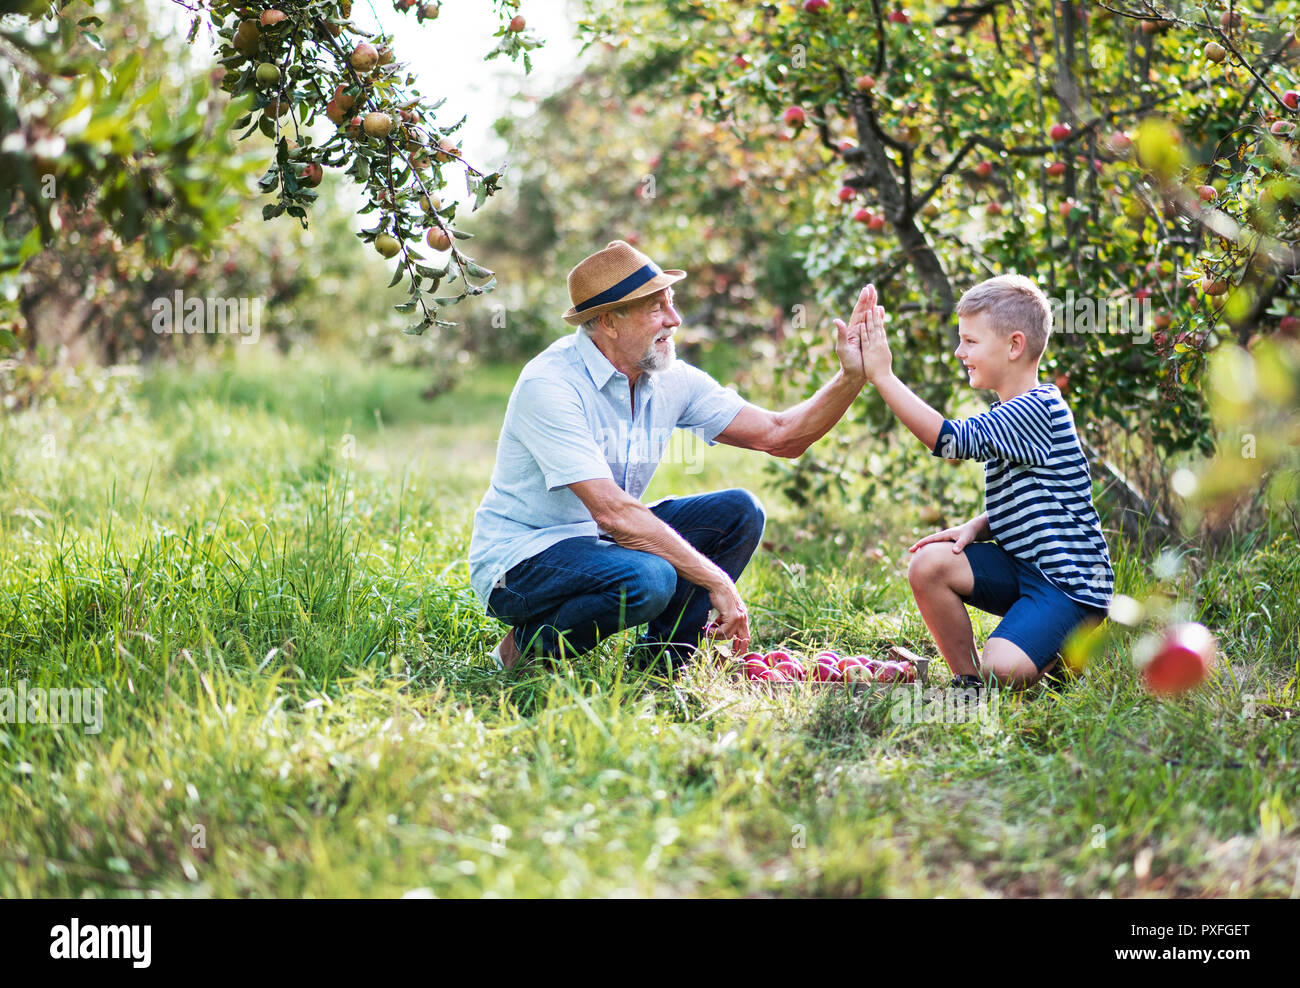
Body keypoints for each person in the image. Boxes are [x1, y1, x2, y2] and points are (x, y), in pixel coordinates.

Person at [468, 239, 879, 672]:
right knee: (649, 578)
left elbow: (782, 436)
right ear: (608, 321)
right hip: (522, 564)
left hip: (600, 542)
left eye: (672, 302)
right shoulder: (550, 385)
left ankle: (662, 664)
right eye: (655, 308)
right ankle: (526, 651)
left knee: (739, 512)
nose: (675, 319)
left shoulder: (668, 377)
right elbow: (613, 513)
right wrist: (714, 579)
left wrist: (851, 377)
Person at [854, 274, 1113, 688]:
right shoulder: (1014, 409)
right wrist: (980, 524)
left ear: (1014, 345)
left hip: (1067, 585)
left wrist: (883, 377)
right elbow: (1041, 497)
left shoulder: (1035, 409)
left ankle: (1064, 655)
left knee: (1004, 669)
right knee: (929, 565)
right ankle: (969, 683)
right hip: (1026, 567)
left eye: (970, 342)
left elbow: (949, 441)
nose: (959, 352)